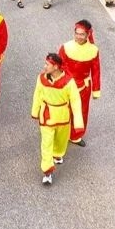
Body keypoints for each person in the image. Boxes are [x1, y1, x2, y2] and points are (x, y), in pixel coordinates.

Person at [30, 54, 84, 185]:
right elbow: (37, 94)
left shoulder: (68, 82)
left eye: (47, 64)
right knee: (46, 144)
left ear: (56, 66)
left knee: (61, 140)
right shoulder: (41, 78)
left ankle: (58, 153)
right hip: (46, 116)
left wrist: (78, 122)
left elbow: (76, 102)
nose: (44, 67)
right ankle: (47, 171)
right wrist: (35, 111)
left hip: (62, 117)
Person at [58, 19, 101, 147]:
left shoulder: (93, 50)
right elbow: (58, 67)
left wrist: (96, 90)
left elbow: (96, 70)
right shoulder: (66, 47)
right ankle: (60, 133)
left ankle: (75, 136)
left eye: (82, 34)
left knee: (81, 112)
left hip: (84, 87)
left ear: (88, 34)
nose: (79, 36)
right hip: (66, 85)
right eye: (77, 33)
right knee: (63, 110)